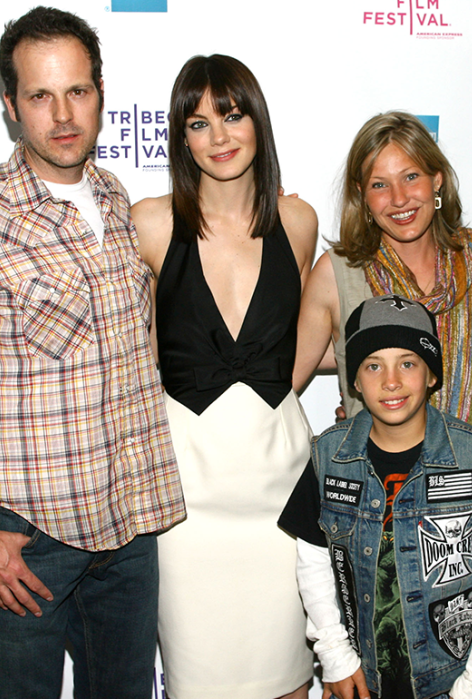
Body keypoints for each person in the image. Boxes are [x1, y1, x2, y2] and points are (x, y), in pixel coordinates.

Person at [0, 7, 184, 699]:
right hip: (25, 538)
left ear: (101, 91)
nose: (63, 114)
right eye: (40, 95)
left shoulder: (115, 199)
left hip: (129, 527)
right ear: (9, 104)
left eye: (77, 90)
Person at [131, 54, 318, 699]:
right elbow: (140, 356)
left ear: (258, 123)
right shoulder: (151, 224)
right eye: (199, 123)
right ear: (180, 138)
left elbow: (302, 340)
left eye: (233, 116)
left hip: (282, 494)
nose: (219, 137)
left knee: (292, 680)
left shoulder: (299, 222)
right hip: (189, 505)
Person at [280, 294, 472, 699]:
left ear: (432, 375)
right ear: (356, 381)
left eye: (408, 363)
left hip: (451, 683)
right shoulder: (328, 456)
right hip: (362, 680)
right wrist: (336, 657)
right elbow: (313, 562)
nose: (391, 381)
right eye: (373, 365)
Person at [293, 111, 472, 435]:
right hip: (371, 478)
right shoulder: (337, 274)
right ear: (362, 195)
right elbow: (284, 382)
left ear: (436, 179)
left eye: (410, 177)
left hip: (467, 478)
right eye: (379, 184)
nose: (398, 199)